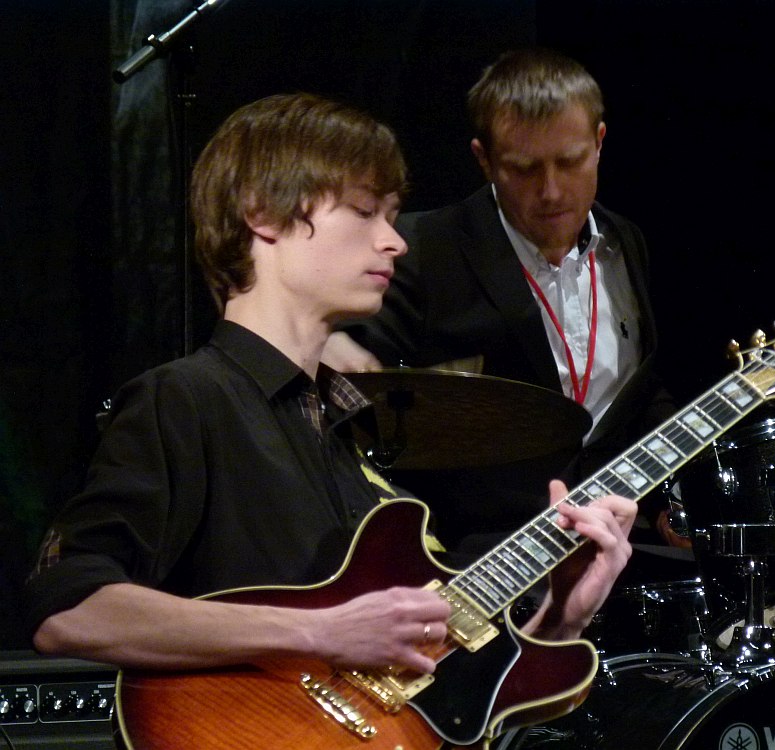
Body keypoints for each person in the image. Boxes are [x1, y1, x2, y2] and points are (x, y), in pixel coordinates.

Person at [23, 93, 636, 700]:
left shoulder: (350, 437)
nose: (395, 242)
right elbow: (68, 608)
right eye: (366, 211)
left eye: (392, 218)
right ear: (263, 214)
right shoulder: (188, 398)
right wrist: (319, 631)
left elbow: (425, 701)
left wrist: (561, 617)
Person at [324, 48, 679, 562]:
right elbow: (351, 391)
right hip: (475, 556)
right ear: (483, 159)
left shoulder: (626, 243)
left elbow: (640, 391)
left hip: (613, 539)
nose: (551, 190)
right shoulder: (422, 251)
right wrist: (331, 342)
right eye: (524, 168)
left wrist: (671, 496)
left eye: (570, 160)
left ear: (600, 143)